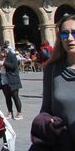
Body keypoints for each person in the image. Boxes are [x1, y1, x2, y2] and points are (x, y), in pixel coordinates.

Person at [38, 14, 75, 146]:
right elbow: (45, 109)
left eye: (74, 33)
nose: (70, 38)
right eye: (65, 34)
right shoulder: (52, 69)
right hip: (64, 144)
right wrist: (47, 122)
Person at [0, 46, 23, 120]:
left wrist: (4, 63)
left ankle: (19, 113)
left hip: (12, 79)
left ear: (5, 51)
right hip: (3, 79)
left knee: (15, 96)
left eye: (1, 53)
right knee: (7, 97)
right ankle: (10, 112)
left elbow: (14, 66)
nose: (0, 55)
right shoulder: (0, 57)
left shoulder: (12, 56)